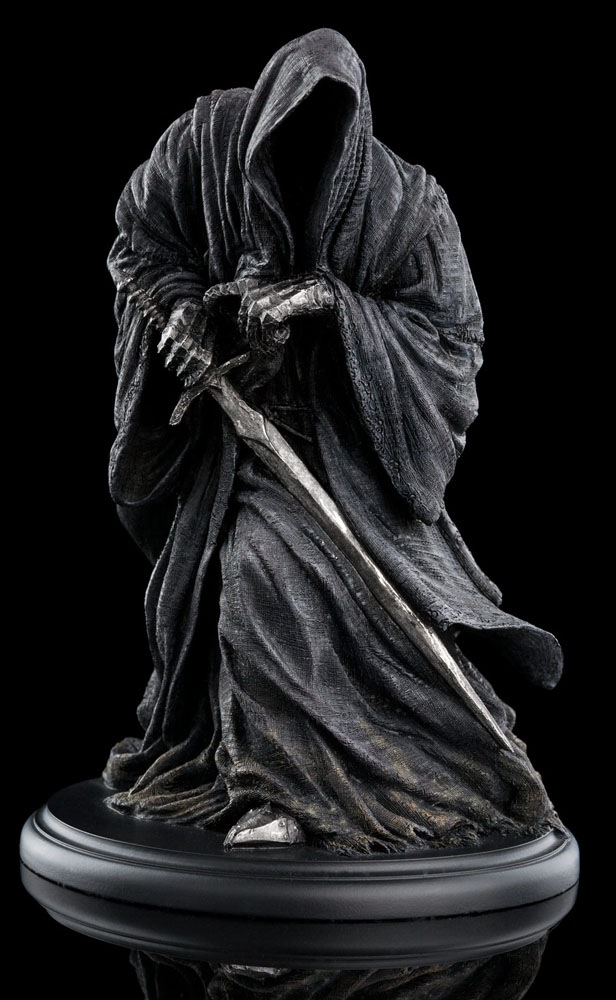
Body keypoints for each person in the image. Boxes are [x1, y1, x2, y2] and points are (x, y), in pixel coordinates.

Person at [103, 27, 563, 854]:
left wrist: (331, 304)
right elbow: (139, 240)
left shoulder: (407, 207)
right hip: (241, 449)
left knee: (396, 624)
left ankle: (453, 766)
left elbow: (453, 338)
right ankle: (272, 790)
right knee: (255, 575)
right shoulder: (206, 147)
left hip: (352, 461)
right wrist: (182, 313)